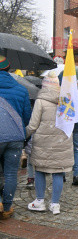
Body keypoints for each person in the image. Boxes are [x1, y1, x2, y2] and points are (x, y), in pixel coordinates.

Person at [26, 71, 73, 215]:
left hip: (43, 142)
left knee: (40, 169)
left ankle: (40, 201)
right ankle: (55, 204)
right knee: (58, 171)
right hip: (62, 141)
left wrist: (24, 135)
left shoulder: (40, 101)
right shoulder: (66, 99)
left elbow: (33, 125)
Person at [0, 55, 31, 219]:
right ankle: (7, 208)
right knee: (11, 173)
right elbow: (27, 118)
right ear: (9, 69)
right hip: (15, 137)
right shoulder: (21, 90)